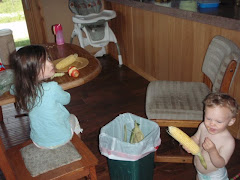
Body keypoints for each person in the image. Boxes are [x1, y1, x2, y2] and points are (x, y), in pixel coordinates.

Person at [10, 45, 82, 149]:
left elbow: (13, 89)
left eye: (48, 58)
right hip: (61, 138)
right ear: (31, 72)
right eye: (42, 64)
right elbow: (67, 99)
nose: (50, 63)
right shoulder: (52, 87)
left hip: (38, 141)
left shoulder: (21, 89)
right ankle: (79, 148)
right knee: (73, 118)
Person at [184, 92, 238, 180]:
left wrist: (212, 151)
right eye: (208, 118)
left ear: (231, 121)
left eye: (219, 121)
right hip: (200, 172)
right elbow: (196, 138)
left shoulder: (228, 141)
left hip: (215, 176)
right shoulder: (203, 126)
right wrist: (190, 143)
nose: (212, 124)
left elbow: (221, 164)